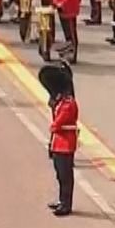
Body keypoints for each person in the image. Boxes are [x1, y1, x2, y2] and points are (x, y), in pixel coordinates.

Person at [46, 70, 77, 215]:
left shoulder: (68, 104)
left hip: (65, 145)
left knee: (65, 177)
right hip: (58, 143)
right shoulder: (61, 101)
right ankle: (61, 200)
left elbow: (57, 124)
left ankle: (66, 204)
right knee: (60, 175)